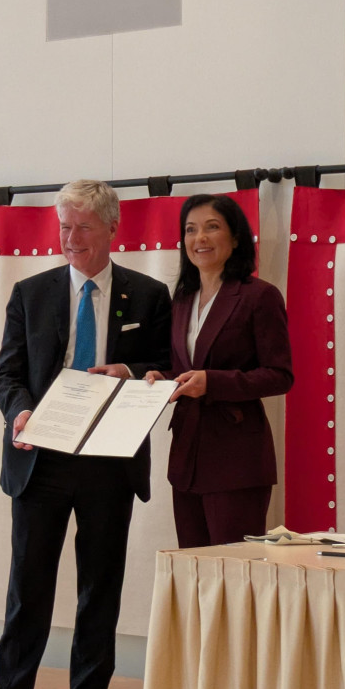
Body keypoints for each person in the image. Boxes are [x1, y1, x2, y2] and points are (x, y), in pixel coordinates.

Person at [0, 180, 172, 689]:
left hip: (110, 461)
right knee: (27, 588)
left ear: (113, 229)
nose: (71, 238)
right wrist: (20, 412)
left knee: (100, 585)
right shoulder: (30, 293)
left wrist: (130, 372)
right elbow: (7, 376)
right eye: (64, 226)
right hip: (42, 460)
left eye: (83, 226)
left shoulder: (150, 294)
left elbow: (163, 365)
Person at [144, 194, 293, 547]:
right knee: (193, 577)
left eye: (212, 227)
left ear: (236, 237)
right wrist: (161, 380)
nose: (201, 239)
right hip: (186, 459)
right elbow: (183, 368)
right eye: (191, 230)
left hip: (236, 461)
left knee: (234, 577)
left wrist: (213, 382)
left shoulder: (260, 296)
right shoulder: (182, 298)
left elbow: (279, 374)